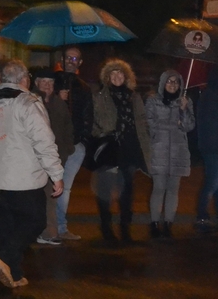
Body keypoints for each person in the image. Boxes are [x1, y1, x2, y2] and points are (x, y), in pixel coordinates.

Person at [0, 60, 64, 288]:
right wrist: (56, 173)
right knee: (35, 221)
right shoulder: (28, 104)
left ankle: (14, 272)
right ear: (24, 80)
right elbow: (44, 142)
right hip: (24, 178)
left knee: (6, 226)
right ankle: (4, 257)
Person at [91, 59, 151, 243]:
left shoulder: (134, 97)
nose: (117, 77)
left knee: (127, 191)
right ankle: (106, 228)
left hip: (129, 149)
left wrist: (146, 145)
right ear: (107, 77)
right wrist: (103, 134)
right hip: (109, 150)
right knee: (106, 190)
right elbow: (94, 121)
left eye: (120, 73)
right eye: (113, 73)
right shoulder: (100, 96)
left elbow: (142, 121)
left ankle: (125, 229)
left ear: (126, 76)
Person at [146, 69, 195, 238]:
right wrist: (173, 125)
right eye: (169, 81)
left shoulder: (185, 101)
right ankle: (154, 223)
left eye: (176, 81)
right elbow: (149, 123)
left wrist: (184, 110)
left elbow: (189, 126)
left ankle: (168, 223)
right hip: (158, 150)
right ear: (163, 83)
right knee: (159, 188)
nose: (172, 84)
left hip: (178, 151)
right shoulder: (153, 101)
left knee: (173, 189)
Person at [54, 46, 94, 240]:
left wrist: (84, 141)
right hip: (54, 144)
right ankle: (48, 226)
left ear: (80, 63)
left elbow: (88, 116)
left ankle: (61, 227)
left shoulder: (83, 87)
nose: (71, 61)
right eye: (68, 58)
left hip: (76, 144)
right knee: (50, 185)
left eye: (75, 59)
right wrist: (57, 98)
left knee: (65, 187)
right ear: (61, 60)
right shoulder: (52, 83)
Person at [32, 68, 75, 245]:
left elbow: (67, 128)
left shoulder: (59, 104)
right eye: (44, 82)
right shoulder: (30, 102)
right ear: (36, 83)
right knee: (35, 196)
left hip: (55, 157)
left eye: (50, 82)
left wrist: (67, 150)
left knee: (51, 195)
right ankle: (35, 231)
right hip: (33, 157)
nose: (47, 86)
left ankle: (49, 232)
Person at [196, 69, 218, 232]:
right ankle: (202, 217)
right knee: (212, 182)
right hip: (213, 147)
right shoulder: (211, 96)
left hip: (211, 146)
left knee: (215, 182)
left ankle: (205, 216)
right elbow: (211, 124)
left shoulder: (210, 95)